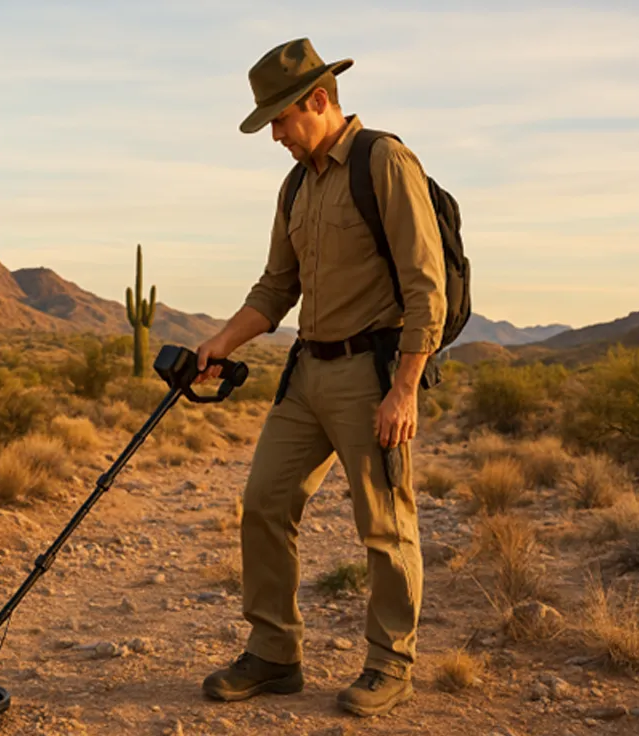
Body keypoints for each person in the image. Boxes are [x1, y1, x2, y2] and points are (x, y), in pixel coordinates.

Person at [193, 37, 447, 718]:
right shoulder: (296, 184)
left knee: (385, 526)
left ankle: (390, 665)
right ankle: (275, 654)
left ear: (318, 100)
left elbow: (427, 284)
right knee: (265, 502)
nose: (274, 134)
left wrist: (404, 388)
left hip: (372, 374)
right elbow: (277, 287)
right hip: (307, 373)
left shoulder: (382, 161)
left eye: (279, 119)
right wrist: (217, 342)